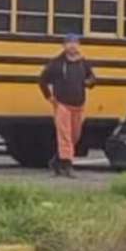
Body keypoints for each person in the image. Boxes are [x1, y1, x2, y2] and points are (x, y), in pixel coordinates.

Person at [38, 34, 97, 177]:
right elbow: (42, 80)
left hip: (79, 105)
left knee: (74, 136)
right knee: (65, 136)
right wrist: (50, 97)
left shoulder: (83, 63)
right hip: (62, 104)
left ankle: (57, 160)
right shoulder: (57, 63)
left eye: (75, 43)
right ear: (63, 46)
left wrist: (88, 82)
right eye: (69, 43)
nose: (72, 45)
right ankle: (67, 166)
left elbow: (93, 78)